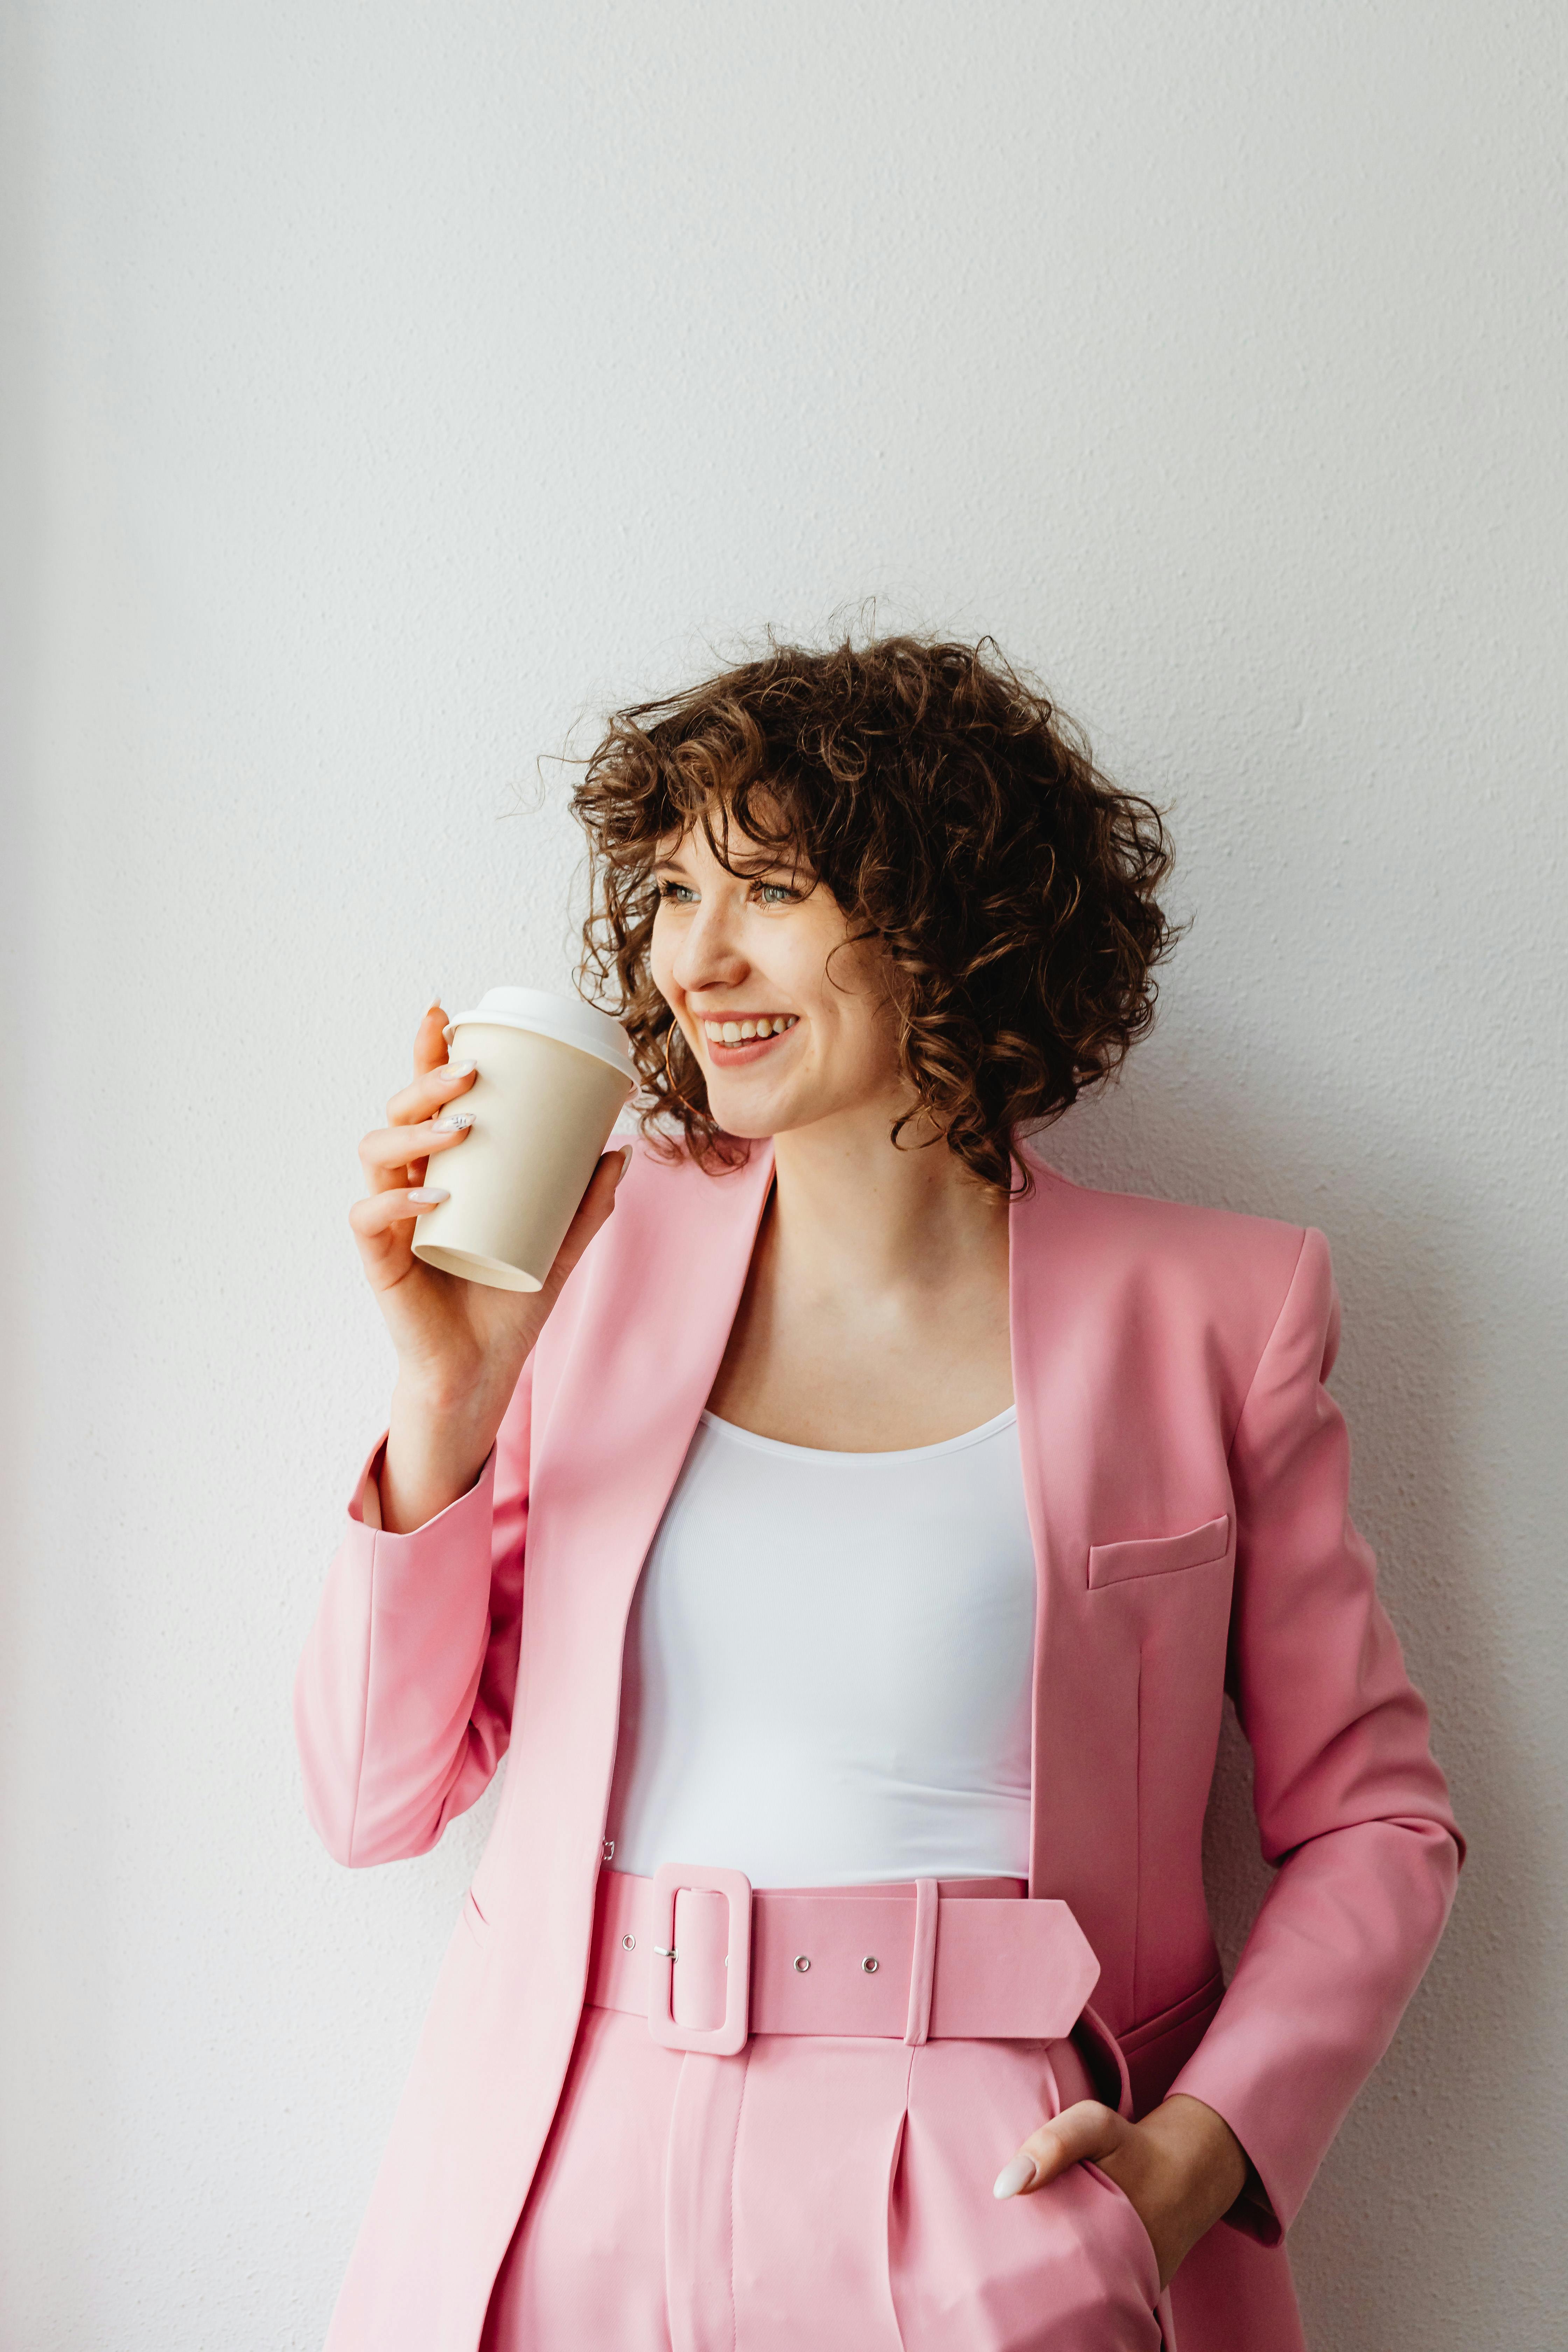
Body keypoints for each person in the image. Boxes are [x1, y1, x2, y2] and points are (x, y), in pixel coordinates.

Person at [295, 634, 1462, 2352]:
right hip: (558, 2169)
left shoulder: (1218, 1313)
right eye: (673, 888)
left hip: (992, 2191)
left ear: (952, 909)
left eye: (769, 888)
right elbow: (373, 1799)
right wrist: (444, 1403)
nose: (697, 957)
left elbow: (1379, 1822)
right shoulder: (583, 1258)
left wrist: (1197, 2162)